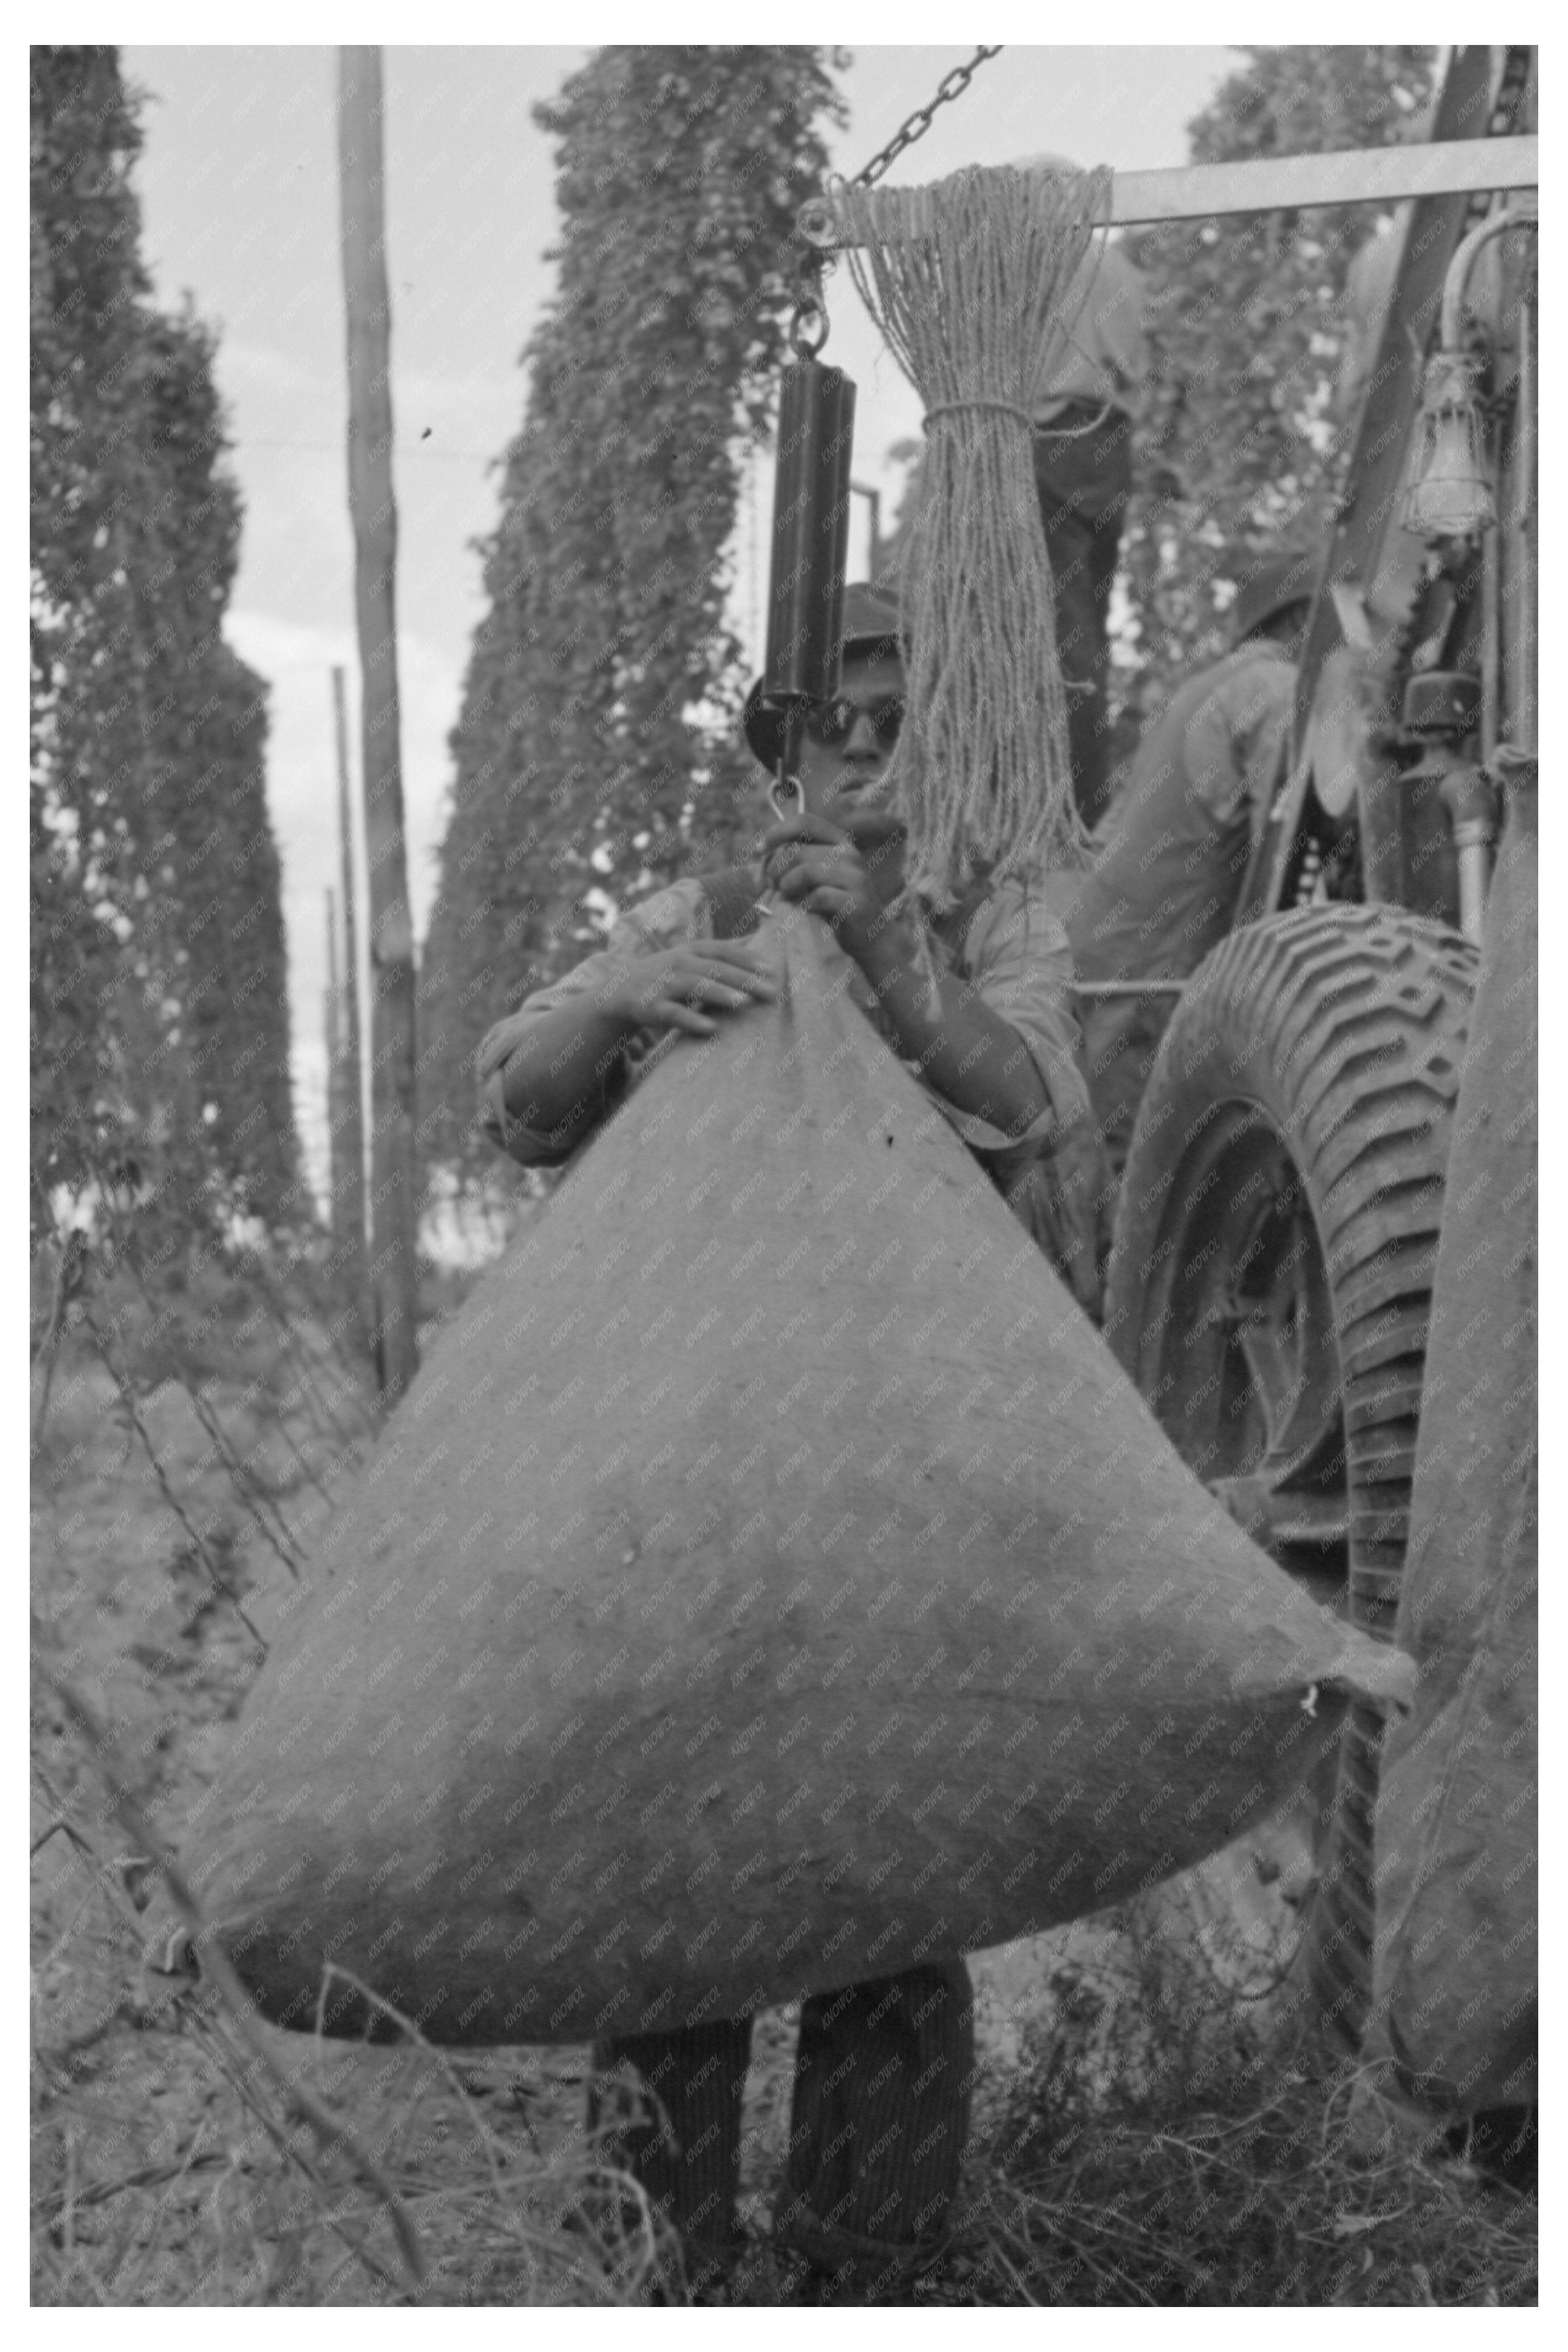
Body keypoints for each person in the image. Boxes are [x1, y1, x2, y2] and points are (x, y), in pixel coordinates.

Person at [473, 581, 1102, 2297]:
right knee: (676, 1863)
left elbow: (1034, 1106)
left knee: (890, 1879)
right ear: (782, 756)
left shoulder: (993, 924)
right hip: (699, 1463)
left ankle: (865, 2267)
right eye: (836, 725)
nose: (866, 749)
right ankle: (657, 2267)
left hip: (908, 1464)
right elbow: (519, 1101)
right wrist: (623, 995)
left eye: (899, 722)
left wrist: (892, 947)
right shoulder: (697, 910)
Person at [1056, 547, 1316, 1177]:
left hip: (1099, 965)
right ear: (1298, 621)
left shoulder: (1204, 689)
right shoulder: (1273, 688)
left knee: (1093, 1170)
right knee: (1131, 1178)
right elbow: (1283, 846)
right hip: (1144, 984)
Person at [1019, 153, 1151, 831]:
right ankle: (1087, 801)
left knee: (1048, 636)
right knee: (1085, 631)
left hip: (1045, 439)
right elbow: (1139, 370)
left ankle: (1062, 811)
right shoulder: (1120, 268)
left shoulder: (1027, 259)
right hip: (1108, 446)